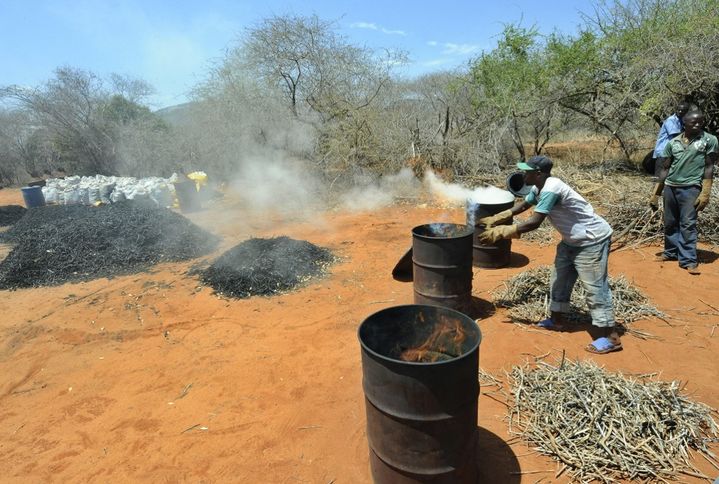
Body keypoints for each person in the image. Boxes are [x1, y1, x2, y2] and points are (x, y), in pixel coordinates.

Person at [478, 155, 621, 354]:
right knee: (558, 280)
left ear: (538, 173)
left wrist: (501, 232)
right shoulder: (538, 186)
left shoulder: (552, 189)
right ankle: (557, 320)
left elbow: (534, 222)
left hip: (591, 241)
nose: (523, 174)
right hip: (571, 240)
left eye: (527, 171)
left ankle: (611, 338)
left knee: (595, 288)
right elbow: (524, 205)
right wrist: (499, 217)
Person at [649, 108, 717, 274]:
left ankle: (688, 260)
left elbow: (709, 166)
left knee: (688, 224)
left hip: (691, 187)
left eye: (700, 121)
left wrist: (705, 192)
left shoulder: (709, 140)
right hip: (671, 187)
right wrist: (656, 193)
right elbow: (665, 169)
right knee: (670, 222)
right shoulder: (673, 143)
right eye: (693, 122)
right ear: (684, 123)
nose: (697, 124)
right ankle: (671, 252)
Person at [651, 101, 692, 176]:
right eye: (678, 110)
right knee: (660, 179)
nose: (680, 112)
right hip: (664, 152)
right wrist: (689, 143)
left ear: (686, 112)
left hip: (672, 153)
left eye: (682, 111)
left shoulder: (681, 120)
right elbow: (677, 135)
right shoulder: (671, 120)